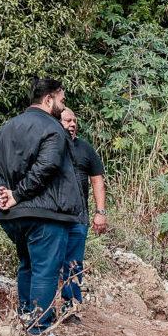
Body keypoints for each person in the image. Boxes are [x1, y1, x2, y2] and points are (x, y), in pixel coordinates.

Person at [0, 78, 84, 334]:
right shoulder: (53, 128)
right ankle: (39, 328)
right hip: (45, 212)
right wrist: (16, 193)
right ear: (48, 99)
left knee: (27, 264)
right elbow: (47, 166)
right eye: (61, 99)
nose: (63, 104)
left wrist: (0, 191)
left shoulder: (5, 128)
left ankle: (26, 319)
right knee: (45, 270)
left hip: (13, 216)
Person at [58, 108, 107, 314]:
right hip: (52, 216)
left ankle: (70, 307)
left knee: (74, 262)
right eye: (67, 120)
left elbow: (97, 180)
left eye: (74, 121)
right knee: (50, 262)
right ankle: (45, 307)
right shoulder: (49, 147)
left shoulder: (85, 148)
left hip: (79, 217)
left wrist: (100, 212)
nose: (72, 124)